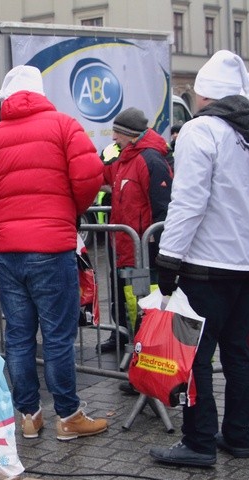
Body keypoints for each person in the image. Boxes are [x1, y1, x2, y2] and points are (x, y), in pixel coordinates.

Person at [149, 50, 249, 467]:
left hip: (205, 266)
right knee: (238, 353)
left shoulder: (200, 131)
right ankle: (239, 436)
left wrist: (167, 261)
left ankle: (200, 441)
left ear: (203, 96)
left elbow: (189, 202)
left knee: (197, 357)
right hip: (247, 265)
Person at [0, 65, 108, 441]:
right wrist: (70, 209)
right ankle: (68, 415)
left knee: (18, 335)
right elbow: (90, 175)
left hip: (8, 249)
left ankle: (29, 416)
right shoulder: (64, 125)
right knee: (59, 336)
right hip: (52, 245)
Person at [96, 108, 173, 356]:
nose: (113, 138)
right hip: (128, 252)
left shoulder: (150, 160)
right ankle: (138, 361)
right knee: (134, 310)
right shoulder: (127, 159)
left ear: (129, 134)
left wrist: (155, 246)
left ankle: (148, 364)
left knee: (146, 311)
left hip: (145, 255)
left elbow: (163, 208)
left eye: (117, 133)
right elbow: (100, 173)